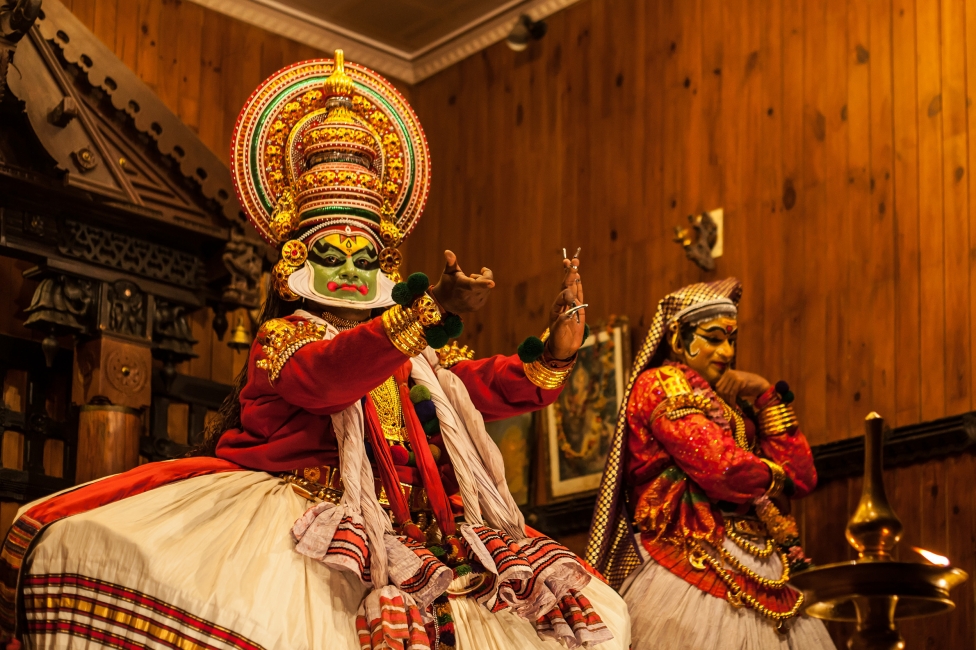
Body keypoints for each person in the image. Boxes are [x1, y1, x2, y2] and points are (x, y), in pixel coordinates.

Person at [0, 52, 629, 650]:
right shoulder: (287, 339)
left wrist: (554, 352)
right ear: (296, 263)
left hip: (412, 531)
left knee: (593, 613)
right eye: (331, 256)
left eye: (364, 259)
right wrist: (423, 313)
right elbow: (328, 380)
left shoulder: (409, 357)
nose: (350, 272)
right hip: (303, 526)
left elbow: (476, 389)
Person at [585, 278, 835, 649]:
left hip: (757, 554)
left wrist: (767, 395)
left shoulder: (730, 398)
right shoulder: (662, 384)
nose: (727, 350)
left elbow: (802, 476)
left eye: (731, 339)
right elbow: (723, 468)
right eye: (714, 337)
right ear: (676, 340)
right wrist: (777, 478)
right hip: (688, 554)